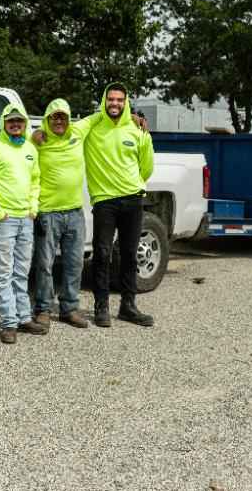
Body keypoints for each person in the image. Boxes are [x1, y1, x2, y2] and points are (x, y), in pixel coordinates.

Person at [78, 84, 155, 328]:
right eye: (110, 99)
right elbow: (69, 130)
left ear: (126, 102)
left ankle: (128, 306)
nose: (115, 104)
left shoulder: (138, 129)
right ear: (104, 101)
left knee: (130, 254)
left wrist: (131, 183)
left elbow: (147, 167)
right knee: (102, 254)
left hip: (133, 198)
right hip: (104, 201)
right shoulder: (92, 126)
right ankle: (101, 306)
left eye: (120, 100)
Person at [0, 103, 44, 344]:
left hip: (25, 218)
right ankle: (9, 323)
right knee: (3, 273)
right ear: (4, 123)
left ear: (25, 123)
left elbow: (36, 180)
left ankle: (24, 318)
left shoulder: (29, 149)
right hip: (1, 220)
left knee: (22, 272)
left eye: (20, 121)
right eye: (11, 121)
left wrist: (33, 208)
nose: (16, 124)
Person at [30, 98, 90, 331]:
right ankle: (43, 309)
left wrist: (134, 119)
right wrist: (32, 136)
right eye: (54, 116)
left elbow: (101, 116)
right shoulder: (38, 139)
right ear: (47, 119)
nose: (59, 121)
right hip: (48, 213)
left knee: (75, 263)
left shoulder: (78, 133)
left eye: (63, 116)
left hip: (75, 211)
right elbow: (13, 142)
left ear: (69, 118)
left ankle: (69, 309)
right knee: (45, 264)